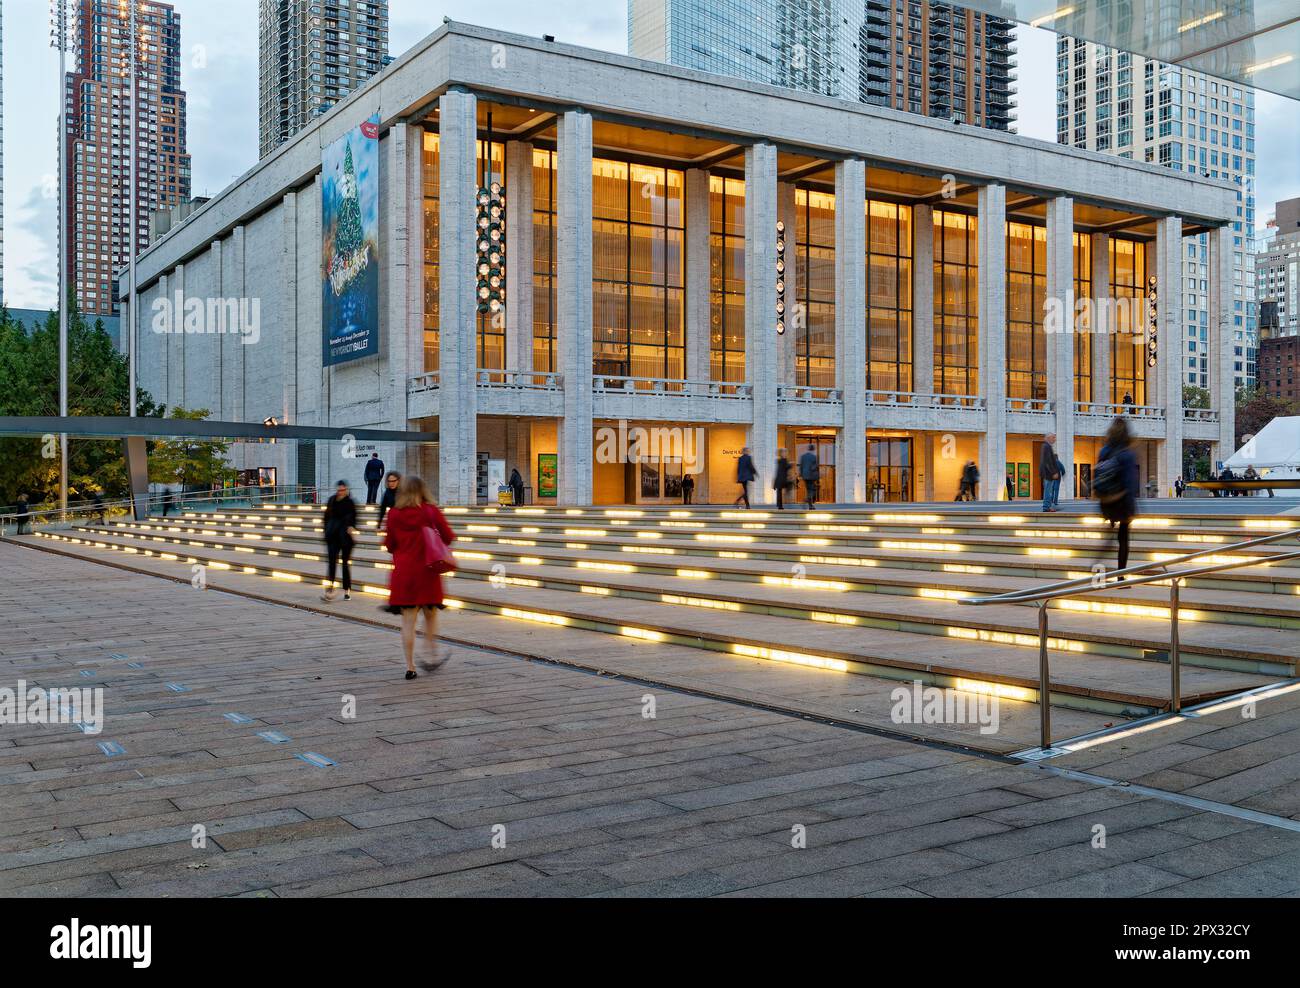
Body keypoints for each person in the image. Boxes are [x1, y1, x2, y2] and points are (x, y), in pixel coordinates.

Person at [383, 475, 456, 679]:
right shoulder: (431, 511)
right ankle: (431, 654)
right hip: (428, 570)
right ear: (423, 490)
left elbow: (389, 545)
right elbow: (449, 537)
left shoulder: (394, 514)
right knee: (431, 615)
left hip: (405, 573)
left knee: (408, 621)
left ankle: (410, 666)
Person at [1095, 417, 1140, 573]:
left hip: (1106, 500)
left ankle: (1098, 565)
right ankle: (1121, 576)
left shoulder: (1104, 450)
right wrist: (1131, 508)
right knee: (1123, 539)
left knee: (1110, 533)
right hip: (1121, 501)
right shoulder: (1127, 454)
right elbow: (1130, 482)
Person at [321, 480, 358, 602]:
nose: (340, 492)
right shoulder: (332, 500)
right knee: (331, 563)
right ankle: (330, 588)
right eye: (339, 490)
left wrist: (352, 527)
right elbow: (326, 517)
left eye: (343, 490)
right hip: (332, 537)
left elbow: (354, 519)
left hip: (345, 538)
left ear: (346, 490)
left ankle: (347, 590)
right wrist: (326, 532)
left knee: (345, 564)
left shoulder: (350, 503)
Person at [1040, 433, 1063, 513]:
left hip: (1047, 473)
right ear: (1048, 438)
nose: (1054, 439)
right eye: (1053, 437)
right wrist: (1053, 472)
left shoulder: (1046, 446)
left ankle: (1047, 506)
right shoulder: (1047, 447)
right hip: (1048, 474)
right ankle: (1046, 507)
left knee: (1048, 490)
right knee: (1048, 491)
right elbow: (1048, 461)